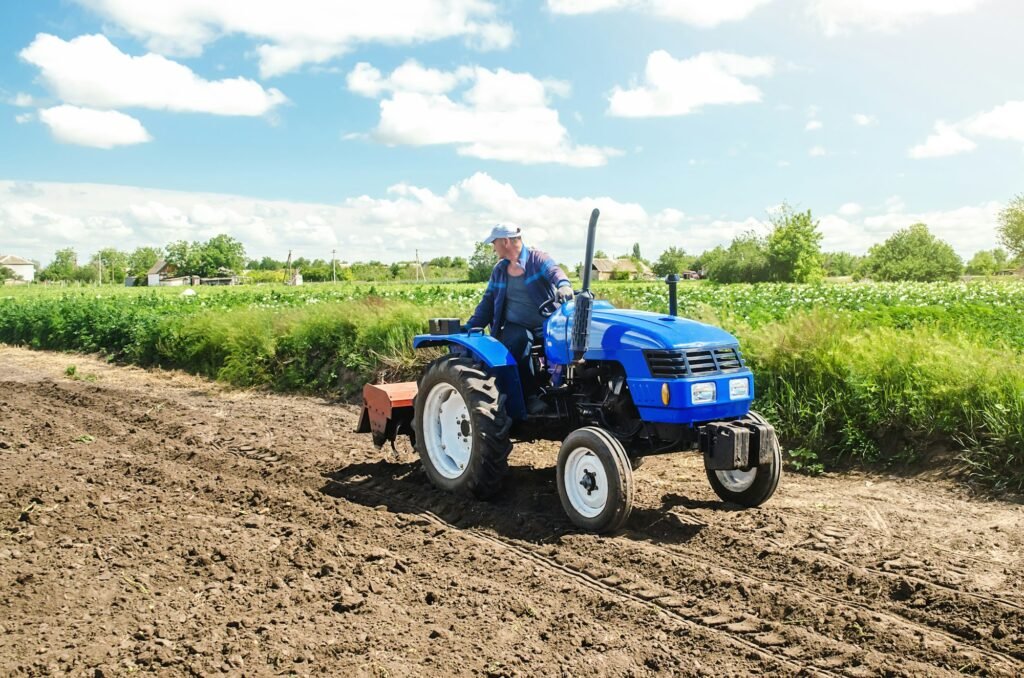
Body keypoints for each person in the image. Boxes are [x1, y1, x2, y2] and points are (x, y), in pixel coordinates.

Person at [467, 223, 574, 414]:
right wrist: (471, 326)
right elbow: (488, 302)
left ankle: (567, 391)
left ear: (505, 242)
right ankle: (530, 397)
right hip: (514, 327)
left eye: (494, 243)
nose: (493, 248)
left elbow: (554, 271)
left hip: (547, 326)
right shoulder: (499, 270)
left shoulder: (537, 259)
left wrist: (564, 285)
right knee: (520, 339)